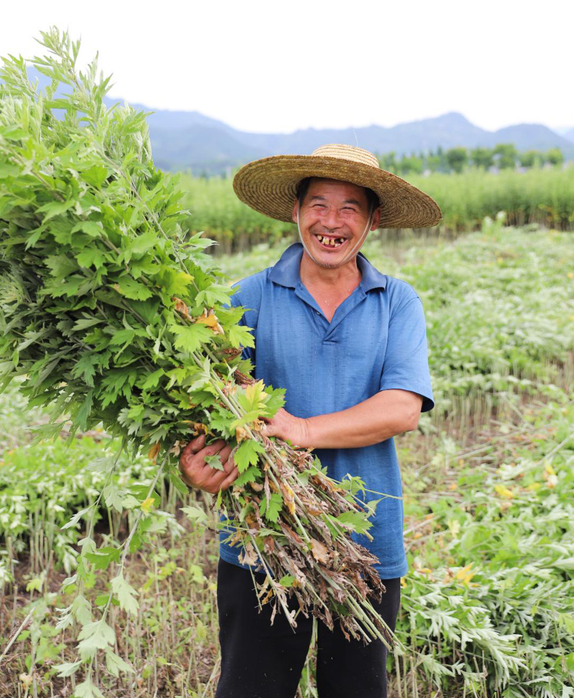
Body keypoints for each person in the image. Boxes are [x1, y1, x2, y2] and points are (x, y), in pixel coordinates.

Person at [180, 144, 442, 698]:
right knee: (252, 689)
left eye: (350, 208)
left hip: (365, 542)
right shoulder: (246, 297)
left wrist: (300, 429)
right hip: (263, 540)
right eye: (318, 204)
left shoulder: (397, 301)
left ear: (371, 221)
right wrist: (196, 468)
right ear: (296, 212)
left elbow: (403, 408)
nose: (331, 221)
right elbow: (212, 406)